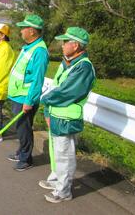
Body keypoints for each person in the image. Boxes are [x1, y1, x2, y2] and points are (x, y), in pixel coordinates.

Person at [39, 27, 95, 203]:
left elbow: (66, 92)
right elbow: (56, 86)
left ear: (76, 45)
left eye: (65, 42)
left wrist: (44, 99)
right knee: (58, 153)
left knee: (65, 156)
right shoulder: (68, 62)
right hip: (57, 115)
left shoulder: (83, 67)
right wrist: (48, 109)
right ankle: (56, 181)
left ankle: (63, 191)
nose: (62, 46)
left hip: (67, 119)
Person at [7, 14, 49, 171]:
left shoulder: (39, 51)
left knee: (24, 128)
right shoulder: (29, 47)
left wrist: (29, 101)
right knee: (21, 127)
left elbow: (38, 80)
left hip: (25, 97)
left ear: (32, 31)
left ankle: (26, 158)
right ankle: (21, 152)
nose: (21, 31)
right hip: (18, 95)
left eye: (23, 28)